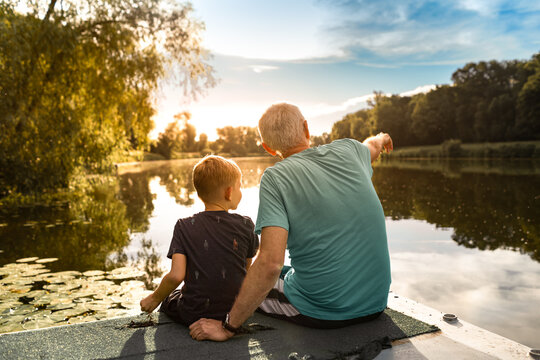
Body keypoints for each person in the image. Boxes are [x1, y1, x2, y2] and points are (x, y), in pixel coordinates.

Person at [189, 103, 394, 341]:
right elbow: (372, 146)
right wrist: (381, 137)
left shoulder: (275, 178)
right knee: (276, 274)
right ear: (306, 129)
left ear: (267, 147)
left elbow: (270, 263)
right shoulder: (350, 148)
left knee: (240, 281)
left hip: (325, 311)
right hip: (376, 301)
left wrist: (228, 327)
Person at [140, 155, 259, 326]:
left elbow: (176, 276)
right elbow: (245, 271)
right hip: (236, 313)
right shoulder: (247, 225)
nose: (241, 192)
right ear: (229, 192)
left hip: (193, 314)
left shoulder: (184, 226)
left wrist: (155, 297)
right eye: (240, 187)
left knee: (169, 299)